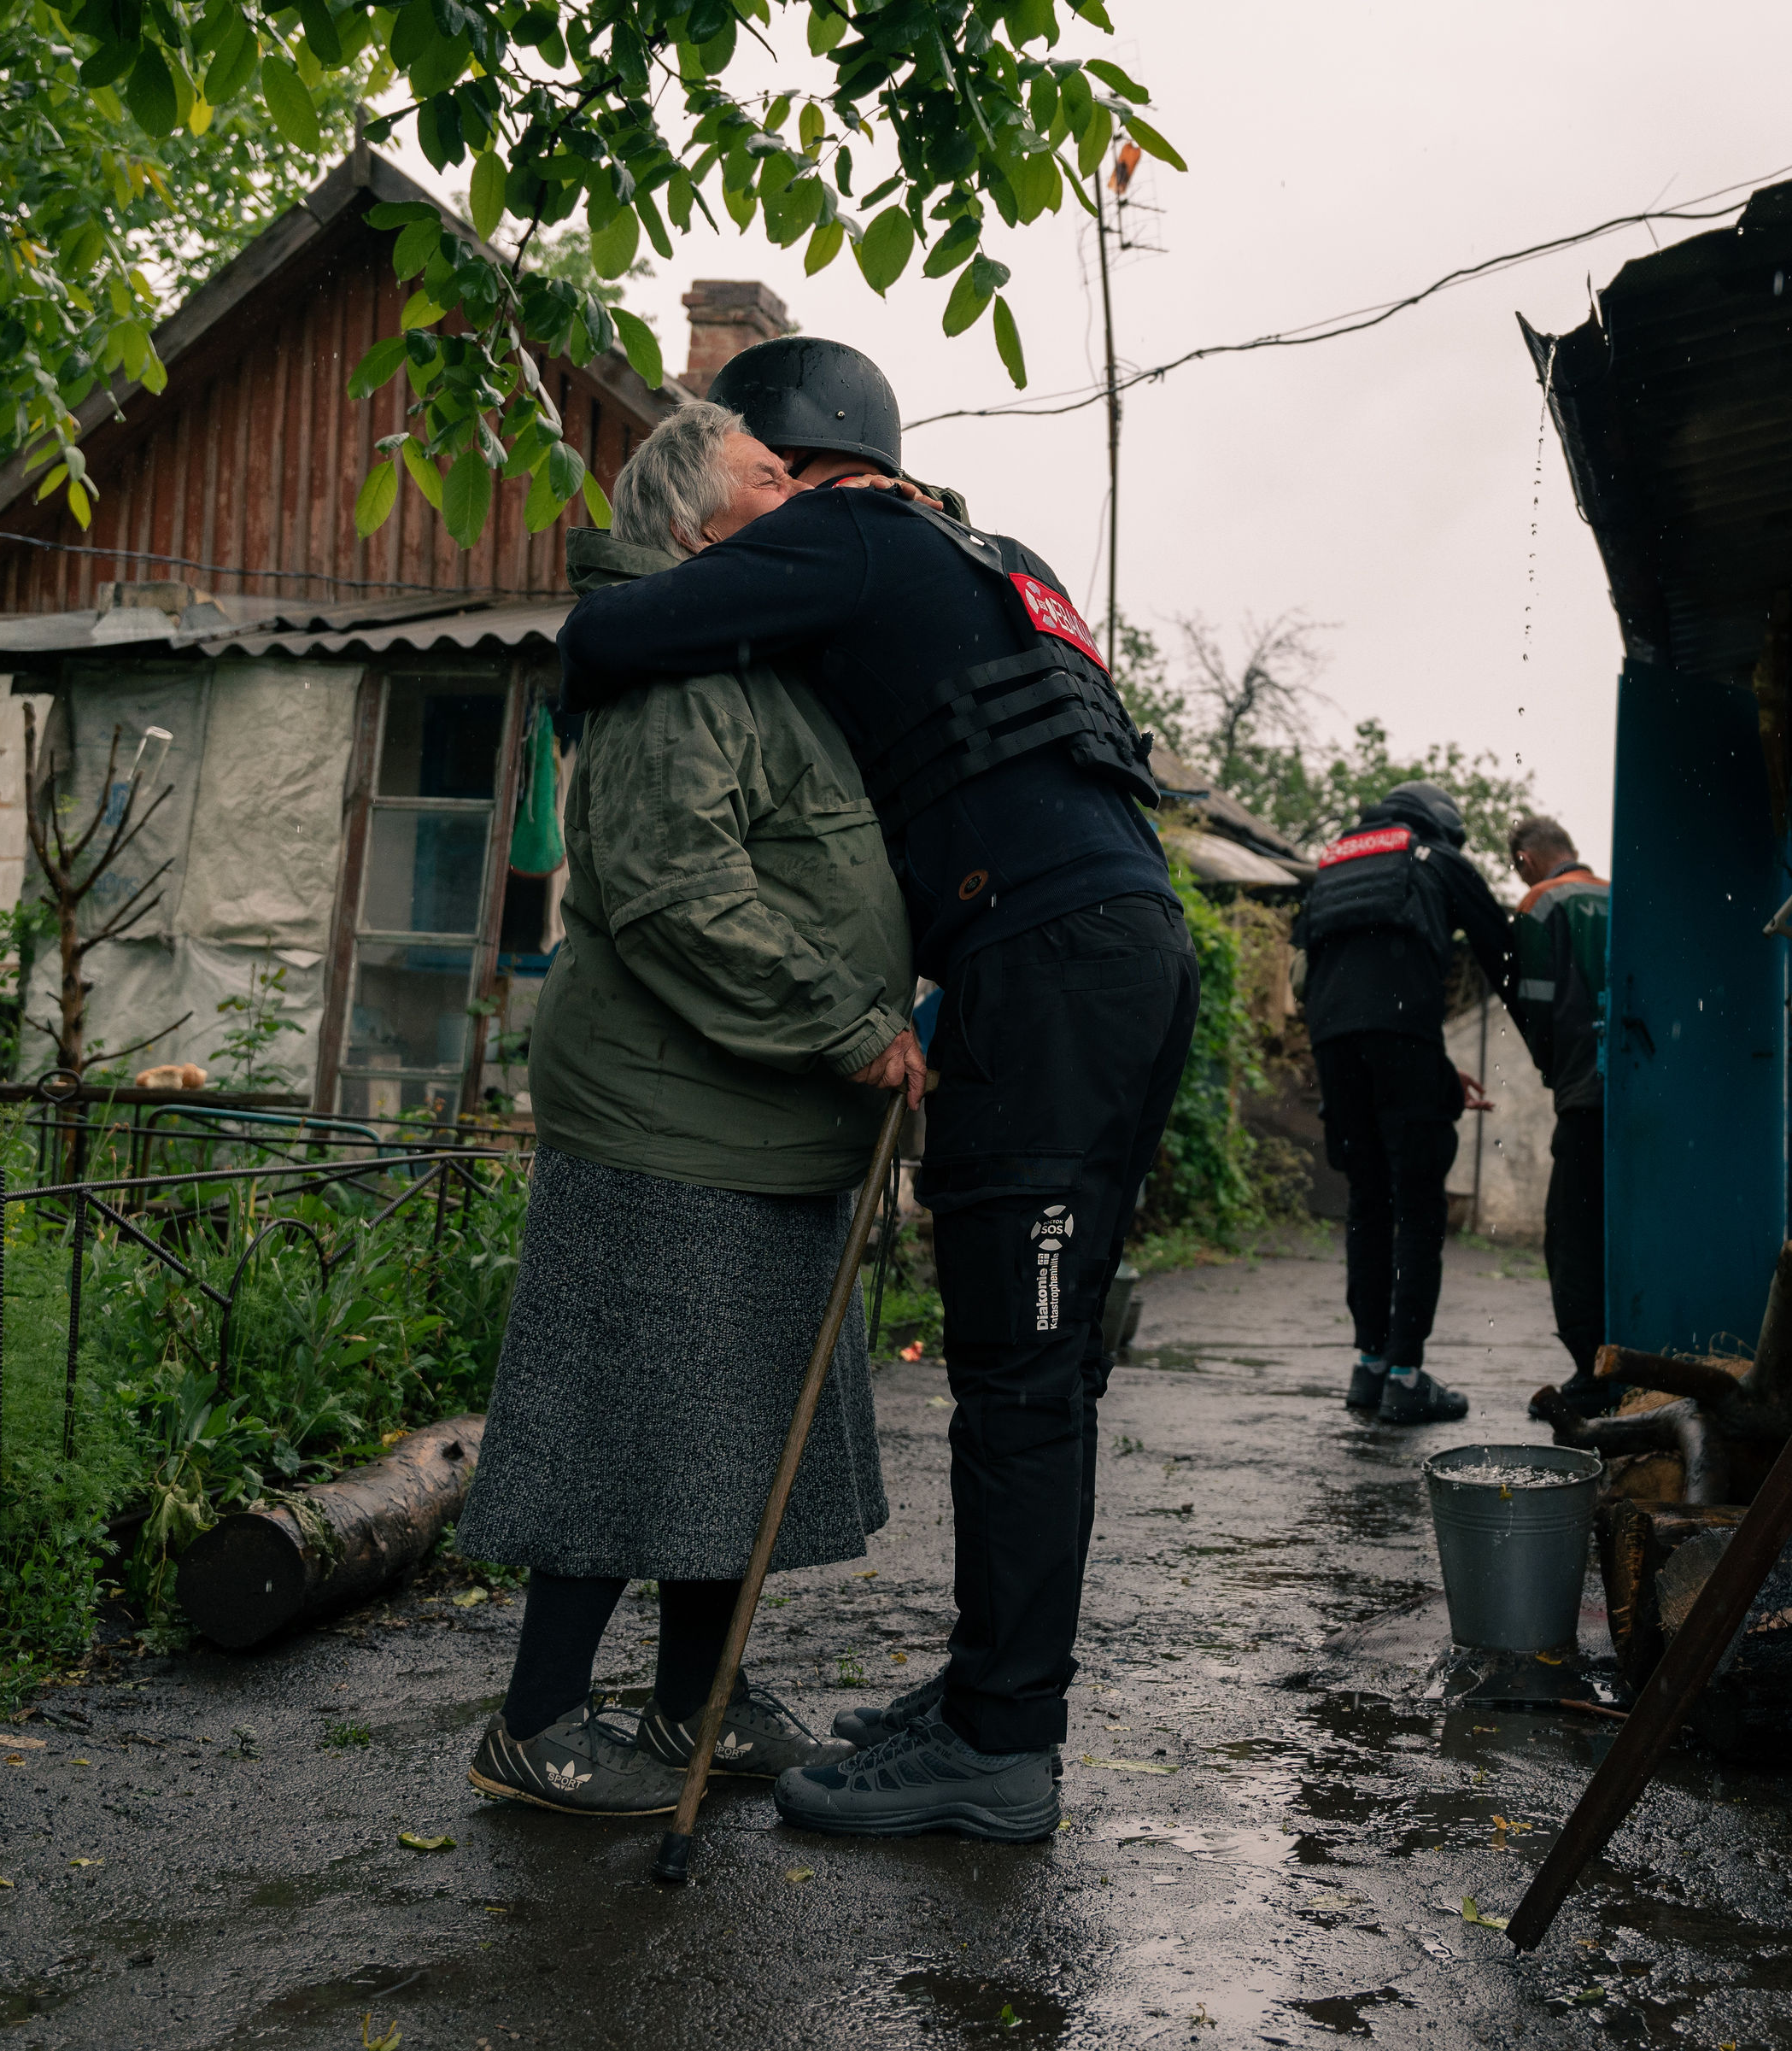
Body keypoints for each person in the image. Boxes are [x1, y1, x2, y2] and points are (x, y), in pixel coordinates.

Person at [555, 337, 1197, 1846]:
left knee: (1021, 1373)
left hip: (1042, 972)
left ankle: (999, 1749)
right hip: (1125, 951)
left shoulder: (846, 535)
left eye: (765, 473)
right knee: (1050, 1363)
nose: (762, 505)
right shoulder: (1000, 554)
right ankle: (987, 1689)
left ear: (801, 465)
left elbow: (619, 634)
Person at [457, 401, 920, 1817]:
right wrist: (845, 1024)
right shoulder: (670, 668)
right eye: (775, 480)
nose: (804, 502)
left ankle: (690, 1709)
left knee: (738, 1431)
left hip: (757, 1124)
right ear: (698, 525)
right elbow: (673, 887)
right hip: (669, 1122)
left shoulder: (750, 658)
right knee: (626, 1419)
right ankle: (536, 1719)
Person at [1295, 781, 1516, 1427]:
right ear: (1442, 825)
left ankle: (1368, 1367)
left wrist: (1442, 1078)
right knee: (1419, 1207)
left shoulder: (1334, 865)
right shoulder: (1434, 860)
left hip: (1332, 1043)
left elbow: (1339, 985)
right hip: (1401, 1041)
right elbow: (1503, 955)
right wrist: (1552, 1051)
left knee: (1367, 1202)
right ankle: (1405, 1376)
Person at [1502, 815, 1613, 1413]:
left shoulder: (1541, 903)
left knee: (1570, 1237)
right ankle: (1623, 1360)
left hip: (1581, 1094)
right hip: (1631, 1095)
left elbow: (1535, 1006)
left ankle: (1591, 1375)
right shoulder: (1620, 895)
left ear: (1525, 858)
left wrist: (1552, 1070)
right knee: (1617, 1231)